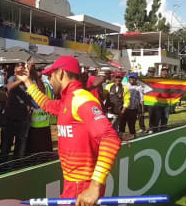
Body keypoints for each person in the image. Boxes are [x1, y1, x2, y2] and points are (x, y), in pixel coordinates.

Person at [15, 56, 121, 205]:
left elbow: (110, 139)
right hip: (73, 182)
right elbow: (46, 104)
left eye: (50, 75)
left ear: (61, 74)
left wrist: (95, 186)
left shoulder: (82, 99)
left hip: (82, 185)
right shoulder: (69, 100)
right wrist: (27, 81)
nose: (50, 81)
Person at [0, 62, 33, 161]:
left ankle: (18, 169)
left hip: (23, 120)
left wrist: (30, 76)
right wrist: (21, 79)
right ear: (14, 69)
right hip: (10, 120)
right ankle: (3, 170)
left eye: (23, 67)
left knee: (20, 150)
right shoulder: (12, 79)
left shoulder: (28, 81)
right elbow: (9, 88)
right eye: (19, 67)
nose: (21, 69)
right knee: (5, 148)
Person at [119, 73, 143, 140]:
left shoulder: (139, 87)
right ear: (128, 78)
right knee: (122, 124)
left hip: (133, 109)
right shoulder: (125, 84)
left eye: (133, 78)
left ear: (136, 79)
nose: (132, 79)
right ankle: (121, 137)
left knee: (132, 125)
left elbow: (141, 98)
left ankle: (133, 138)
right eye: (130, 78)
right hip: (124, 108)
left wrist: (142, 109)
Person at [149, 66, 170, 133]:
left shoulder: (170, 80)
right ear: (161, 71)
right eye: (163, 70)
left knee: (165, 117)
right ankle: (154, 130)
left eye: (166, 70)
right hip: (158, 102)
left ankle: (163, 130)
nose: (165, 72)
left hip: (167, 102)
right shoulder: (156, 80)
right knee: (157, 117)